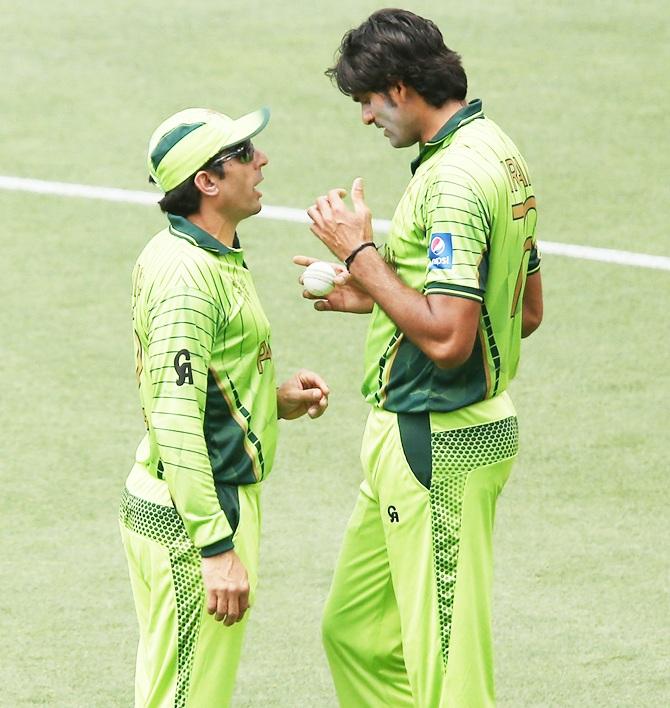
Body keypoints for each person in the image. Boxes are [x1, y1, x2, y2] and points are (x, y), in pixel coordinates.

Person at [296, 9, 543, 707]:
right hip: (411, 438)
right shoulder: (499, 150)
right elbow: (522, 310)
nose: (366, 118)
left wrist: (360, 255)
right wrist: (374, 293)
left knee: (447, 666)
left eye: (366, 102)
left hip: (440, 439)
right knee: (356, 634)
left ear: (398, 88)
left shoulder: (456, 182)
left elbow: (449, 338)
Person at [119, 106, 329, 708]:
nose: (260, 161)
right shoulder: (189, 276)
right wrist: (214, 548)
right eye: (243, 153)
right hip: (198, 512)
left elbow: (205, 382)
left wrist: (271, 401)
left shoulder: (201, 254)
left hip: (183, 496)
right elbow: (177, 414)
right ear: (207, 183)